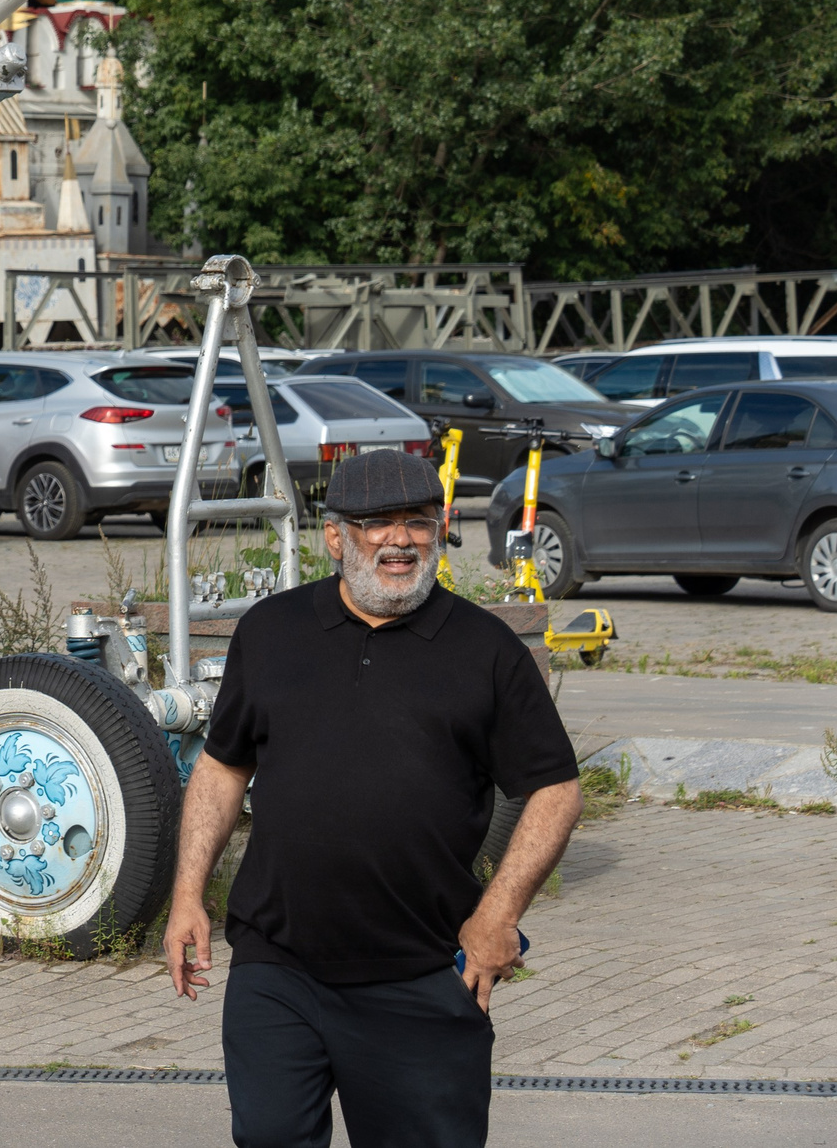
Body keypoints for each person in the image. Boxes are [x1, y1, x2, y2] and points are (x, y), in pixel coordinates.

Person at [163, 448, 581, 1148]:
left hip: (418, 975)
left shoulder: (485, 651)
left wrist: (498, 916)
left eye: (418, 522)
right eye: (376, 523)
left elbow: (554, 790)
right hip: (278, 969)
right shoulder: (271, 632)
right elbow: (221, 767)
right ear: (335, 537)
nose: (400, 539)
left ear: (440, 531)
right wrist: (186, 895)